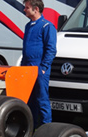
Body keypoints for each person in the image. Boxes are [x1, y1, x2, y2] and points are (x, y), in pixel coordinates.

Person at [21, 0, 57, 129]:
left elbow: (51, 49)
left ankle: (46, 129)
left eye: (27, 7)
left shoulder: (47, 26)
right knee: (29, 100)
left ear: (35, 9)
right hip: (27, 67)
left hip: (39, 68)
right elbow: (25, 49)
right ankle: (31, 128)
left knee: (42, 100)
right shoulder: (28, 26)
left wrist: (43, 67)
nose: (24, 9)